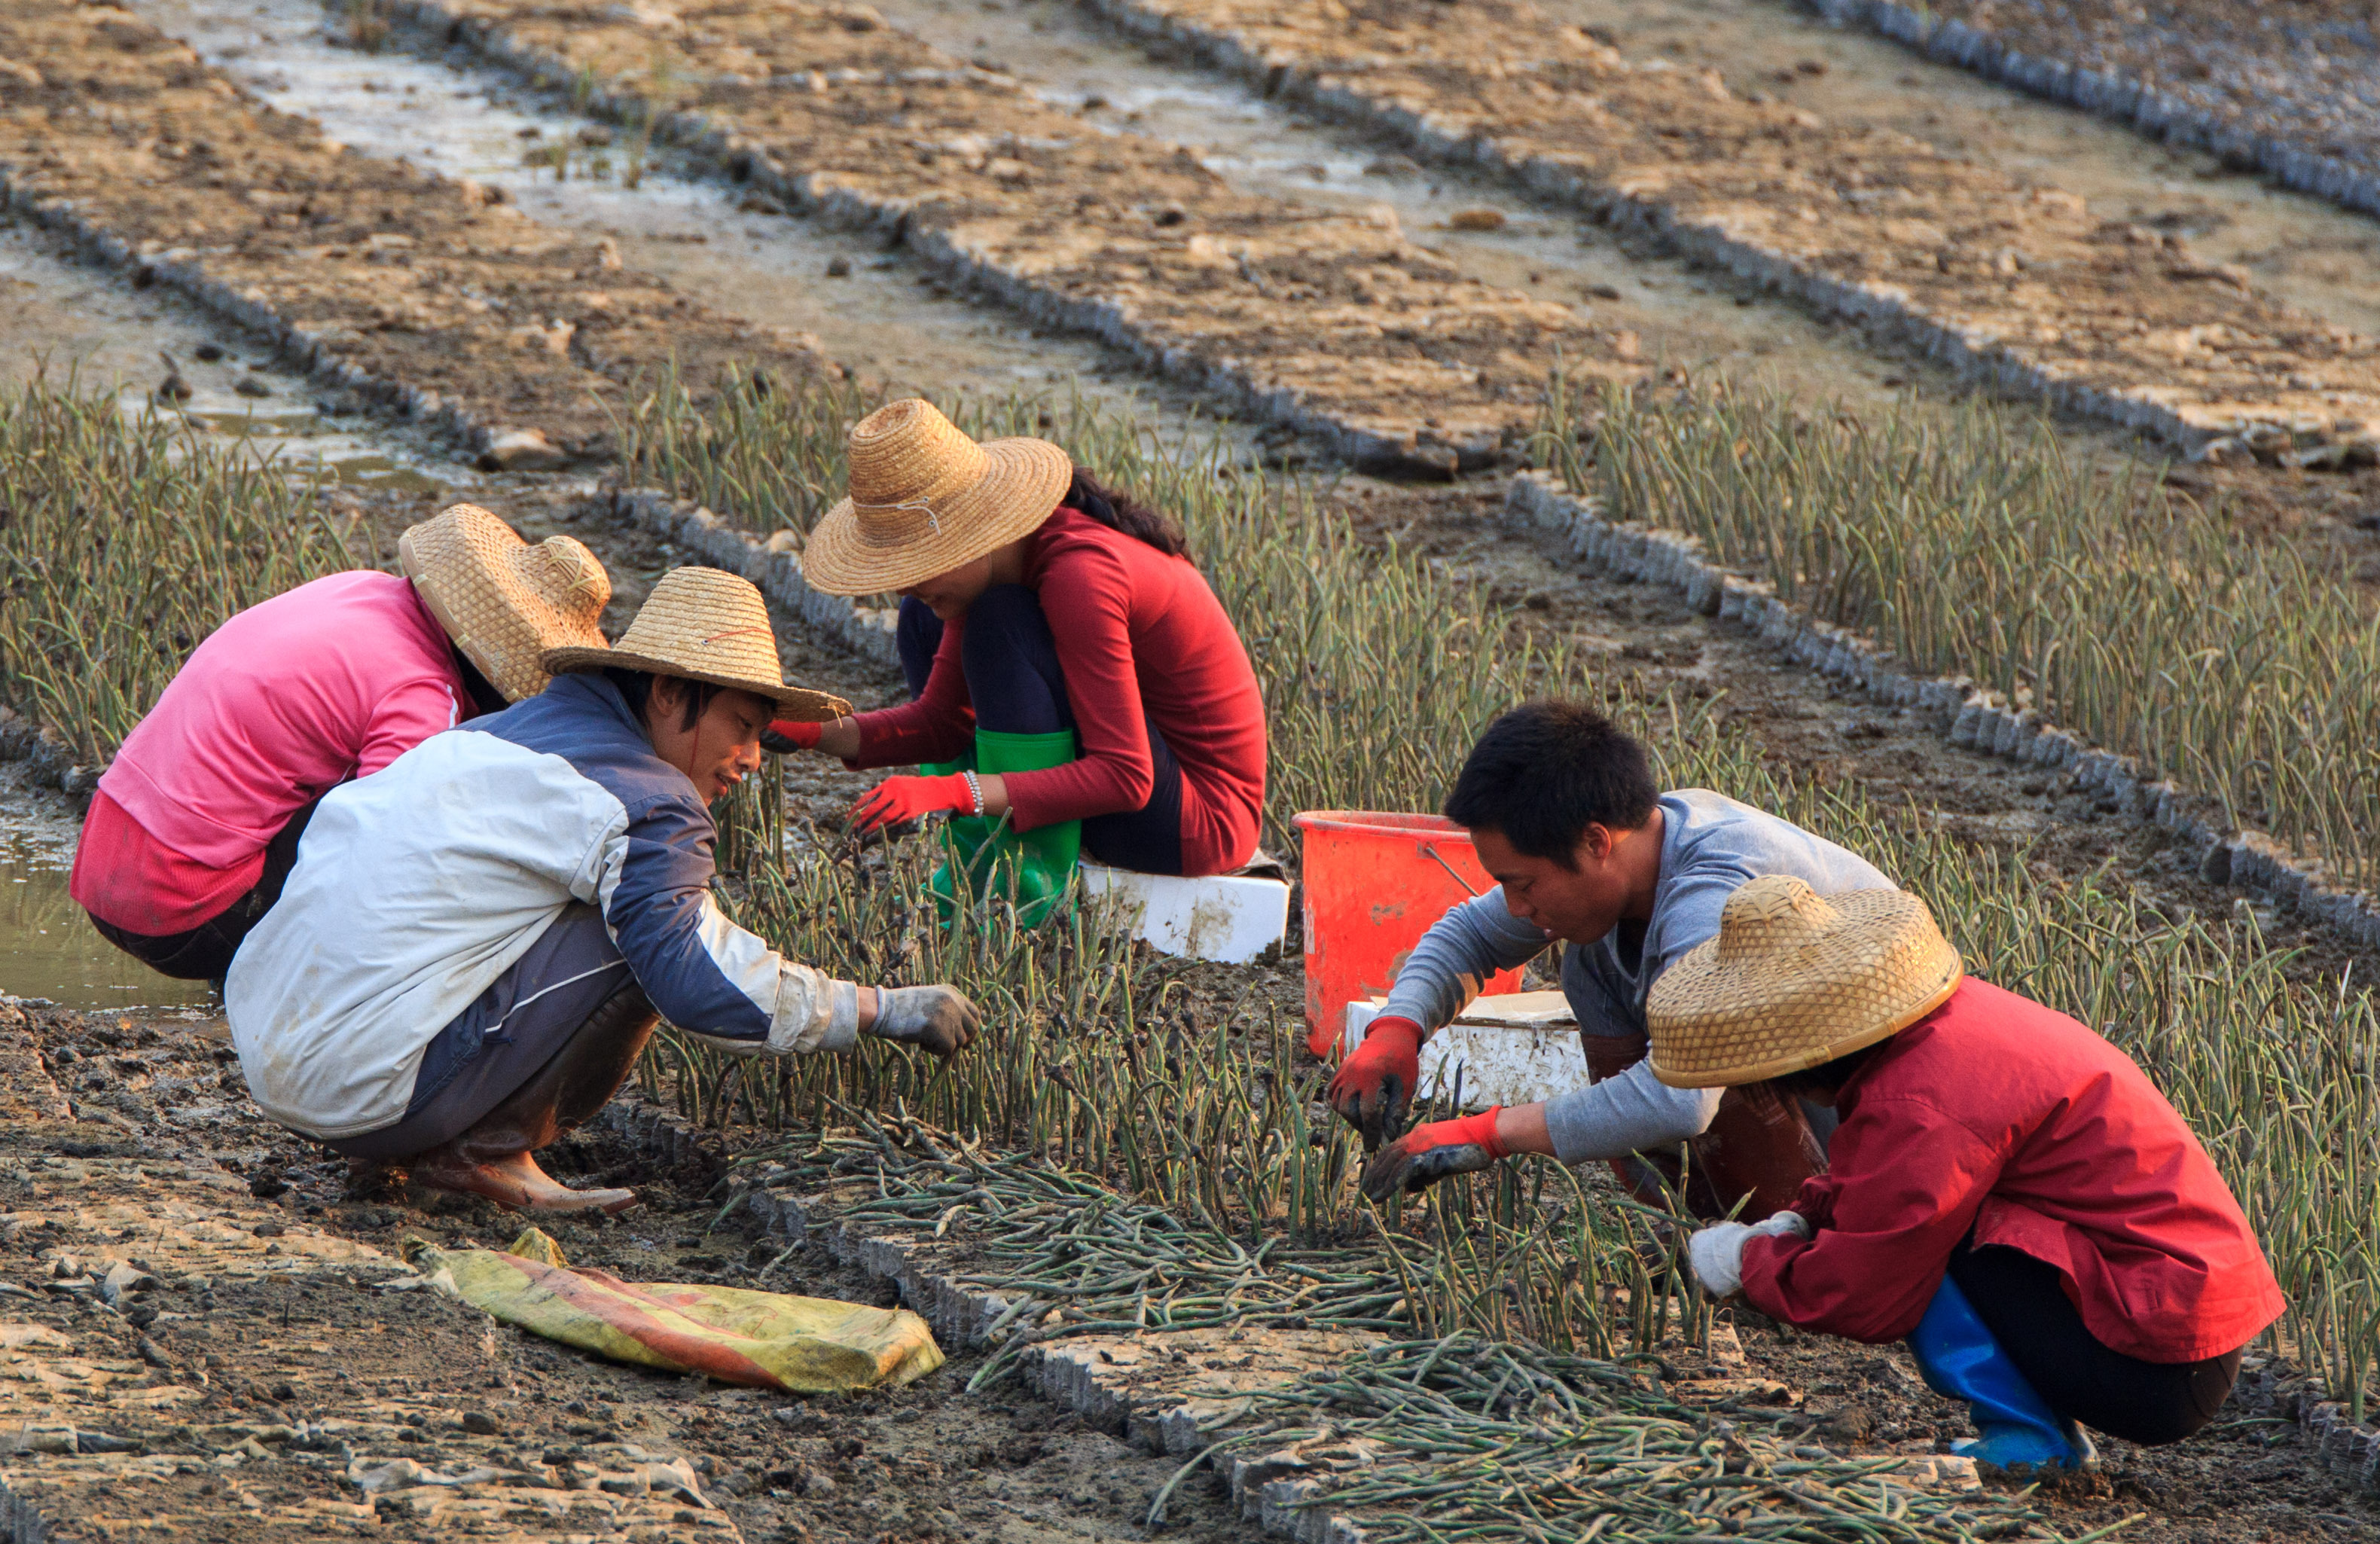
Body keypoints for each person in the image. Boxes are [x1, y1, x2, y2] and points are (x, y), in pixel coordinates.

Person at [224, 567, 982, 1214]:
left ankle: (427, 1135)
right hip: (361, 1088)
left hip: (272, 1052)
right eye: (742, 725)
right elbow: (702, 983)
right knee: (646, 939)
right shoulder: (649, 799)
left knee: (614, 908)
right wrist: (883, 1009)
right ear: (667, 693)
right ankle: (487, 1151)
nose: (753, 757)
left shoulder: (492, 733)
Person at [1658, 875, 2284, 1471]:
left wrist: (1749, 1261)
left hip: (2157, 1357)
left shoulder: (1920, 1100)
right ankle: (2037, 1428)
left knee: (1928, 1242)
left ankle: (2028, 1437)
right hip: (2176, 1314)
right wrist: (1802, 1218)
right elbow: (1870, 1178)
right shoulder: (1944, 1028)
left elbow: (1864, 1289)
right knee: (1932, 1215)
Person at [1344, 700, 1892, 1213]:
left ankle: (1793, 1234)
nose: (1515, 907)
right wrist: (1397, 1030)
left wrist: (1491, 1132)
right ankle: (1706, 1225)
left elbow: (1681, 1099)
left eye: (1524, 884)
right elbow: (1469, 934)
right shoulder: (1636, 846)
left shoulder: (1716, 894)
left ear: (1596, 843)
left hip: (1884, 1144)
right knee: (1594, 961)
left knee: (1687, 1036)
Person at [769, 398, 1268, 919]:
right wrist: (812, 730)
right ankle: (980, 865)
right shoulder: (1005, 563)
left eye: (916, 564)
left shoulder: (1079, 577)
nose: (901, 586)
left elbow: (1126, 775)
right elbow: (941, 725)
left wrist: (955, 791)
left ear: (971, 538)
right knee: (922, 618)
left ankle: (1023, 888)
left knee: (997, 621)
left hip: (1196, 825)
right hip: (1139, 793)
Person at [71, 505, 612, 983]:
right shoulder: (423, 696)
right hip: (180, 911)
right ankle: (269, 990)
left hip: (101, 862)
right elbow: (386, 857)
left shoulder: (360, 586)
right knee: (407, 827)